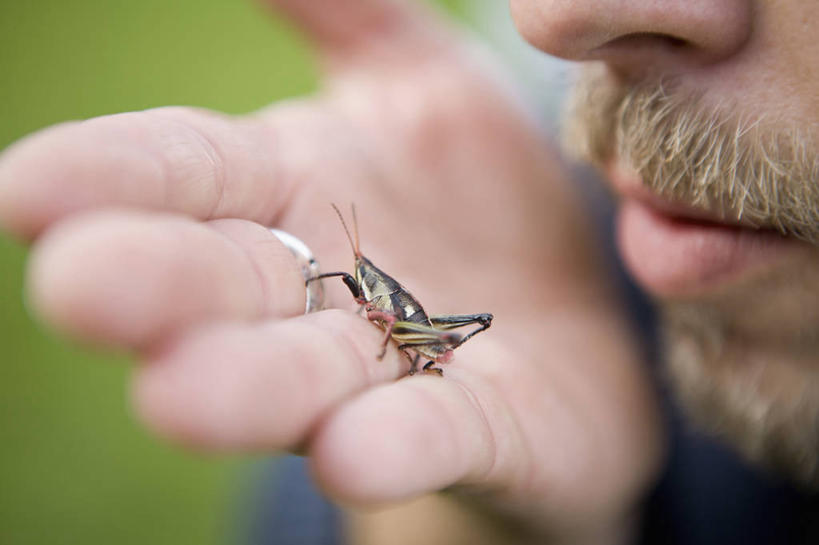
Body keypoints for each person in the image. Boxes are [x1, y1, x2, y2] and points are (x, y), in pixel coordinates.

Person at [0, 0, 816, 543]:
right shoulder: (584, 122)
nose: (557, 14)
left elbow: (397, 324)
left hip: (429, 331)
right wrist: (463, 520)